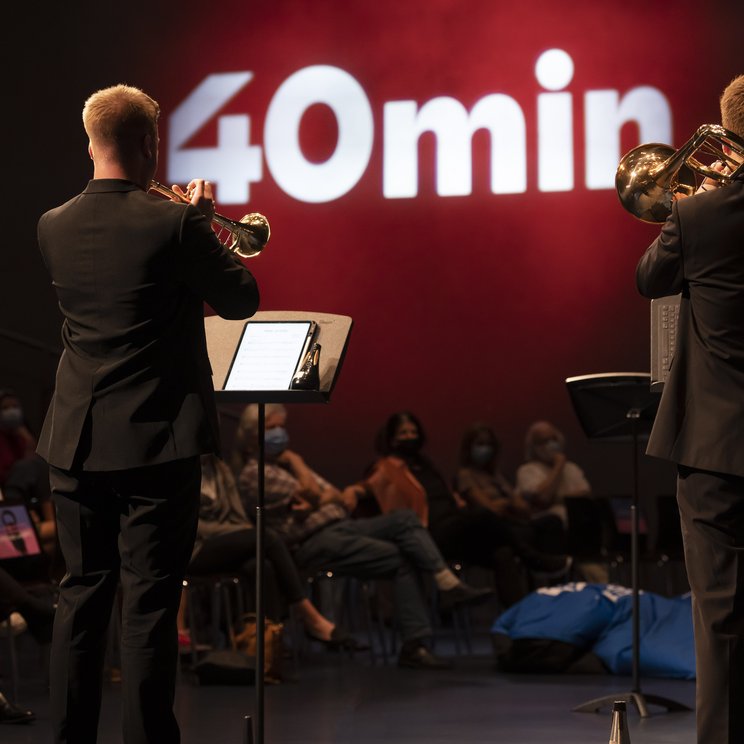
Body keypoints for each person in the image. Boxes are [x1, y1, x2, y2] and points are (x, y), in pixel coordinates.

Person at [36, 84, 260, 744]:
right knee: (150, 606)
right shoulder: (175, 221)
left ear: (89, 141)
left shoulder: (52, 225)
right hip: (155, 445)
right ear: (150, 144)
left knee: (80, 601)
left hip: (73, 442)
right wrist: (204, 221)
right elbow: (242, 297)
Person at [635, 74, 744, 744]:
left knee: (722, 615)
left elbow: (650, 278)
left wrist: (706, 194)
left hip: (715, 446)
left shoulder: (701, 216)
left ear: (726, 135)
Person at [234, 404, 491, 669]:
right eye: (272, 428)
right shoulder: (254, 474)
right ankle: (416, 643)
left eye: (281, 427)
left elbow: (337, 495)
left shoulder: (286, 467)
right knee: (400, 557)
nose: (280, 434)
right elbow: (313, 491)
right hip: (311, 541)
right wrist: (301, 467)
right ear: (253, 435)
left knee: (404, 518)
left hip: (341, 526)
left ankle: (445, 582)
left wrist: (317, 499)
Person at [368, 412, 567, 606]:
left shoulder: (426, 466)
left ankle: (516, 627)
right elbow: (369, 489)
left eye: (413, 432)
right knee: (482, 514)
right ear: (392, 439)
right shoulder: (384, 469)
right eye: (403, 433)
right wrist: (355, 492)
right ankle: (533, 559)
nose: (410, 437)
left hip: (456, 526)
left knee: (503, 552)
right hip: (428, 534)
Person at [179, 454, 360, 650]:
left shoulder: (220, 469)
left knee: (261, 565)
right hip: (195, 547)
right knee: (267, 537)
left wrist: (243, 533)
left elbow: (237, 513)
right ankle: (309, 615)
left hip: (227, 540)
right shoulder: (180, 471)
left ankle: (267, 646)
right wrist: (239, 533)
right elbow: (191, 525)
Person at [0, 390, 55, 554]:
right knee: (26, 468)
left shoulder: (20, 436)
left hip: (28, 493)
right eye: (6, 408)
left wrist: (27, 439)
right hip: (9, 496)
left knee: (38, 466)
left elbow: (35, 465)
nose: (12, 411)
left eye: (15, 406)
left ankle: (51, 521)